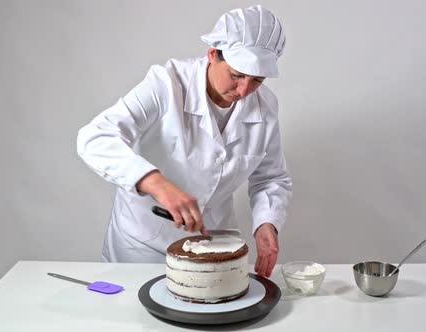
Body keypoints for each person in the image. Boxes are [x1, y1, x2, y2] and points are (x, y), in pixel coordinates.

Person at [77, 5, 292, 277]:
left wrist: (267, 223)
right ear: (213, 54)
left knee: (214, 314)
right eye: (237, 75)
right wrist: (156, 183)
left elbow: (270, 178)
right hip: (143, 246)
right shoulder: (166, 84)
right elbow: (95, 136)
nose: (244, 90)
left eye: (257, 81)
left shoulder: (265, 107)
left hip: (214, 242)